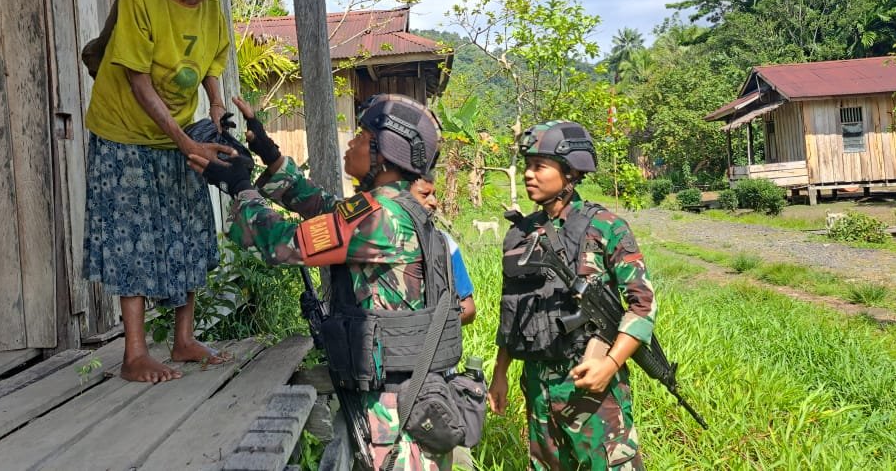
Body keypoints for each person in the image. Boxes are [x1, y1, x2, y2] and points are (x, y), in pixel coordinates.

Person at [192, 94, 463, 471]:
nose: (350, 142)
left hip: (392, 407)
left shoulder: (379, 218)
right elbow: (323, 206)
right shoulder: (394, 207)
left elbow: (284, 245)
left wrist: (241, 188)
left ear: (384, 153)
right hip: (404, 391)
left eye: (362, 136)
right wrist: (269, 155)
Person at [82, 0, 237, 383]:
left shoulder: (210, 6)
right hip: (123, 130)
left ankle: (184, 339)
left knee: (188, 226)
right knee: (134, 238)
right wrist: (184, 139)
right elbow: (137, 76)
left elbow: (212, 59)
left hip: (180, 128)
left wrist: (214, 105)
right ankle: (134, 353)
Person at [488, 121, 656, 470]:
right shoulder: (520, 235)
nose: (529, 175)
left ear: (569, 172)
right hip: (537, 384)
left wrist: (610, 365)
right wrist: (499, 373)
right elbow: (512, 311)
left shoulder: (605, 227)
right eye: (527, 166)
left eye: (540, 166)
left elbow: (642, 306)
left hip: (591, 384)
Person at [410, 178, 476, 326]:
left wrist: (429, 331)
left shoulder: (445, 242)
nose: (433, 202)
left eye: (434, 194)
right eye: (424, 195)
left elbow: (468, 309)